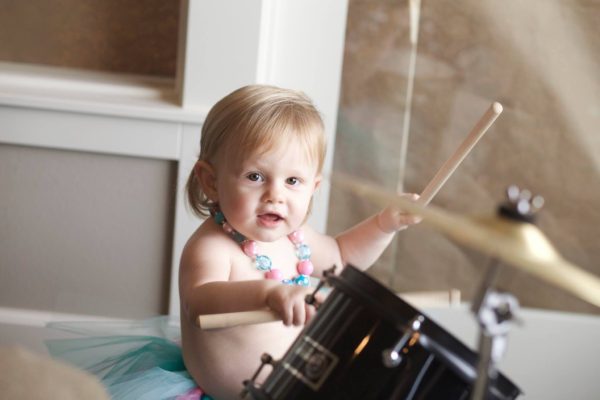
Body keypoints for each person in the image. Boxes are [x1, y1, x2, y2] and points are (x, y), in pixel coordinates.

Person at [179, 84, 420, 399]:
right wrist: (268, 293)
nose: (275, 195)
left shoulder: (296, 239)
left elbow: (341, 256)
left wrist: (383, 225)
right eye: (255, 176)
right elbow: (199, 302)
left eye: (293, 181)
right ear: (211, 181)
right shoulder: (212, 247)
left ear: (313, 186)